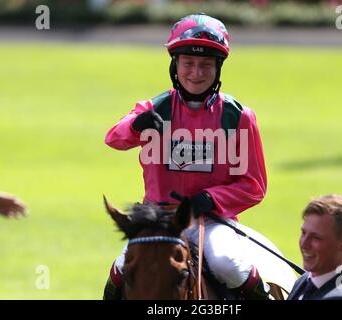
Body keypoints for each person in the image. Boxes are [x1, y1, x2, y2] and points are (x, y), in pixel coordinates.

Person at [104, 13, 269, 299]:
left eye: (206, 65)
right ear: (175, 65)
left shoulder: (239, 117)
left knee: (227, 263)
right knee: (120, 270)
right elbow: (113, 139)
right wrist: (135, 125)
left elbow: (254, 186)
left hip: (213, 220)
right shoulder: (153, 107)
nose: (196, 72)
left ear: (218, 68)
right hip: (159, 220)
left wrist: (212, 199)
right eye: (188, 63)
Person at [288, 194, 342, 300]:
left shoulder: (341, 297)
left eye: (316, 237)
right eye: (303, 233)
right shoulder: (306, 279)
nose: (304, 244)